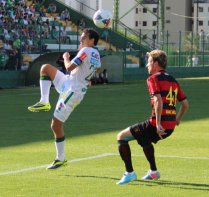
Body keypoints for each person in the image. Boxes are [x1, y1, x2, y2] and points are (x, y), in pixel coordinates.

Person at [28, 28, 101, 169]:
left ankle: (60, 158)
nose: (81, 39)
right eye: (81, 37)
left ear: (92, 40)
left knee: (55, 125)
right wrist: (86, 77)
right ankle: (44, 101)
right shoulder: (96, 54)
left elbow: (68, 67)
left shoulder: (85, 51)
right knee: (45, 68)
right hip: (70, 82)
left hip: (73, 91)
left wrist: (66, 57)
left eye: (84, 37)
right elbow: (97, 69)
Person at [116, 49, 189, 185]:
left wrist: (158, 124)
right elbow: (185, 104)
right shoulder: (173, 80)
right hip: (170, 127)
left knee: (121, 137)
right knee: (144, 138)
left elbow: (158, 100)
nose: (147, 65)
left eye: (149, 62)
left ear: (156, 63)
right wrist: (177, 119)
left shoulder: (152, 78)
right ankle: (153, 172)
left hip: (157, 125)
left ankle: (129, 173)